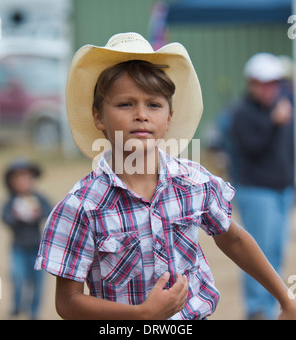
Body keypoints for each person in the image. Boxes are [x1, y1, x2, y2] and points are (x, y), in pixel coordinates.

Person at [35, 33, 296, 320]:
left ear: (169, 118)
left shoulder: (194, 183)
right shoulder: (82, 207)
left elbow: (233, 240)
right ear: (99, 117)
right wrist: (142, 314)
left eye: (154, 105)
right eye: (125, 104)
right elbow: (68, 302)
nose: (141, 115)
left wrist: (285, 299)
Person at [230, 53, 295, 320]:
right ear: (253, 83)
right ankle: (258, 311)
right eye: (265, 83)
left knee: (277, 252)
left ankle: (273, 308)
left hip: (282, 191)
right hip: (256, 193)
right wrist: (273, 124)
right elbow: (252, 149)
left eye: (275, 83)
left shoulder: (284, 109)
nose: (271, 89)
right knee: (259, 255)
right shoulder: (242, 114)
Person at [2, 159, 52, 319]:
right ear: (11, 183)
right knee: (18, 278)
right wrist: (17, 217)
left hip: (37, 249)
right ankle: (17, 306)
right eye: (19, 178)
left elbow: (49, 211)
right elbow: (5, 218)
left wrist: (38, 213)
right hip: (19, 248)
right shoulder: (11, 201)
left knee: (38, 284)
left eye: (28, 178)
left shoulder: (38, 199)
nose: (25, 181)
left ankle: (34, 313)